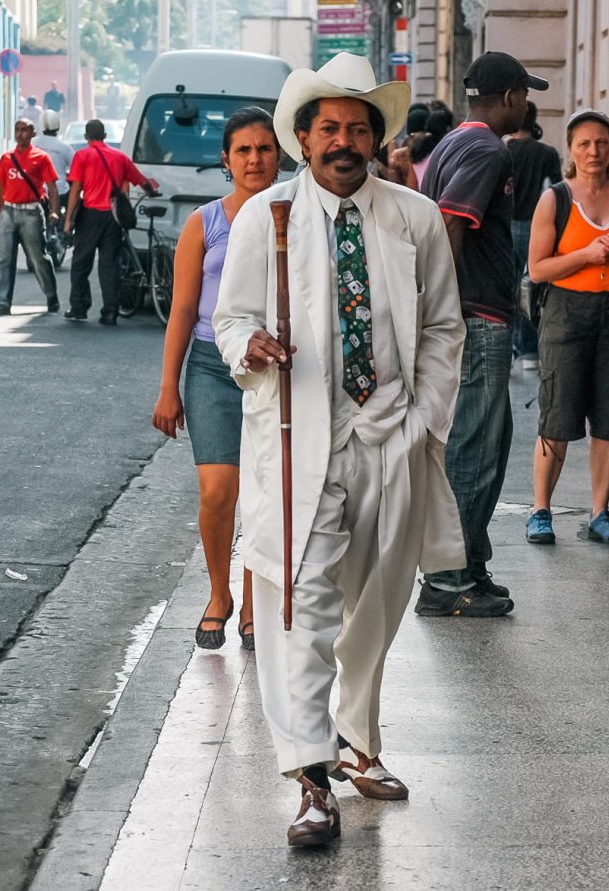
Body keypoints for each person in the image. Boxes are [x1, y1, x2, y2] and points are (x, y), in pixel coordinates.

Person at [212, 53, 466, 847]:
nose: (345, 142)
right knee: (302, 605)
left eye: (359, 128)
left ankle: (358, 738)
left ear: (377, 137)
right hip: (299, 442)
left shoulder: (413, 218)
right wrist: (249, 346)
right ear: (303, 137)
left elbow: (443, 329)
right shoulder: (269, 217)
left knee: (380, 601)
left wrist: (423, 417)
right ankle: (312, 779)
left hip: (390, 435)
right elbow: (228, 321)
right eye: (330, 128)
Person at [414, 51, 546, 617]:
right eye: (525, 94)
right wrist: (443, 313)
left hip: (473, 316)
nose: (527, 104)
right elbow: (448, 223)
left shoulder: (454, 142)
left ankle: (469, 564)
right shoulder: (486, 148)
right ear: (512, 96)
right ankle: (446, 581)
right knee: (473, 448)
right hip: (476, 319)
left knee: (487, 444)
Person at [152, 108, 280, 652]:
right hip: (209, 366)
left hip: (273, 370)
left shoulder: (292, 215)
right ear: (226, 160)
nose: (255, 159)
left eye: (265, 149)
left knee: (261, 495)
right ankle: (218, 594)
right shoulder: (203, 224)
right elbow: (182, 310)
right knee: (218, 491)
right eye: (243, 151)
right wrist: (168, 387)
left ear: (281, 155)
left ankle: (253, 604)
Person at [523, 109, 609, 547]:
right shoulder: (555, 198)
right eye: (584, 144)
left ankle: (600, 511)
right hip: (566, 314)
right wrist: (588, 256)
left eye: (602, 143)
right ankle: (540, 510)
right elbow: (538, 269)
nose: (594, 151)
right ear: (571, 151)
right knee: (557, 413)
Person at [62, 119, 158, 325]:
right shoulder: (119, 157)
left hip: (89, 215)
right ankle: (110, 311)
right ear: (104, 136)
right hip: (113, 218)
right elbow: (142, 182)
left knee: (80, 263)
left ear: (86, 137)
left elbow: (76, 189)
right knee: (110, 265)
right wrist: (152, 192)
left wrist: (68, 220)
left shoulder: (82, 156)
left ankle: (79, 308)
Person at [506, 100, 562, 369]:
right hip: (536, 225)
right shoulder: (547, 153)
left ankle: (508, 345)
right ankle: (529, 349)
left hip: (504, 225)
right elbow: (557, 190)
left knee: (508, 285)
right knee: (531, 286)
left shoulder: (502, 151)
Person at [0, 119, 61, 316]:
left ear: (32, 133)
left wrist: (54, 211)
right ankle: (3, 303)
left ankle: (51, 295)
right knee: (3, 259)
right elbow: (0, 189)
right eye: (17, 130)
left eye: (24, 130)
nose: (20, 134)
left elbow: (52, 188)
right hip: (8, 211)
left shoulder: (41, 158)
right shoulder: (7, 158)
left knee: (38, 258)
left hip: (31, 213)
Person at [33, 110, 75, 200]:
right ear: (58, 125)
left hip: (36, 191)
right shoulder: (65, 147)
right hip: (61, 191)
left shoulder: (32, 143)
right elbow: (75, 169)